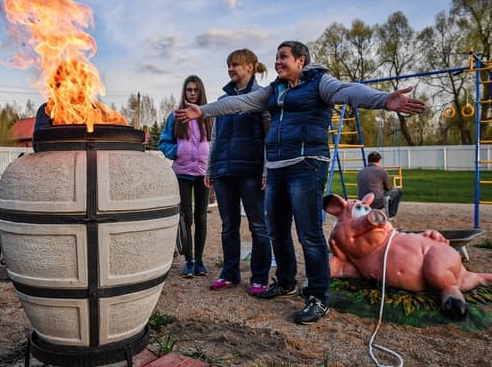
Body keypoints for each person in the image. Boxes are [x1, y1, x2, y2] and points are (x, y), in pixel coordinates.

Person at [175, 41, 426, 324]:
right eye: (277, 57)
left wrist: (384, 99)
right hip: (278, 166)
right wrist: (204, 111)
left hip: (306, 165)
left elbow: (351, 91)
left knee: (308, 233)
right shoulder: (275, 90)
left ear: (301, 60)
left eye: (283, 57)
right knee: (277, 229)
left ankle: (318, 297)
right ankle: (285, 281)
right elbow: (240, 103)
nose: (278, 62)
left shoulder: (319, 82)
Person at [205, 49, 272, 296]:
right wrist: (211, 168)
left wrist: (265, 169)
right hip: (224, 171)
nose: (231, 69)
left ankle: (259, 277)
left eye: (235, 65)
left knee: (258, 226)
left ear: (251, 67)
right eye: (229, 65)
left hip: (251, 171)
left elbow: (269, 136)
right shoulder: (223, 100)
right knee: (228, 226)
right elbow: (214, 137)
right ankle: (230, 273)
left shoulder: (261, 98)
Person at [159, 75, 212, 278]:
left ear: (201, 92)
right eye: (189, 90)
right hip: (182, 173)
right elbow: (164, 142)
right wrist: (178, 151)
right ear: (184, 92)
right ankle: (188, 261)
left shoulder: (208, 116)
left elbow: (215, 143)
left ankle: (199, 260)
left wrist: (211, 167)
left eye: (195, 90)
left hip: (202, 173)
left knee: (201, 217)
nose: (192, 93)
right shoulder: (175, 116)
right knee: (186, 218)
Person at [357, 151, 402, 218]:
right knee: (398, 192)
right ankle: (390, 215)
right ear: (379, 160)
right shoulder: (382, 171)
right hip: (377, 202)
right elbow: (388, 188)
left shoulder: (360, 172)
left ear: (368, 160)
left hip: (363, 201)